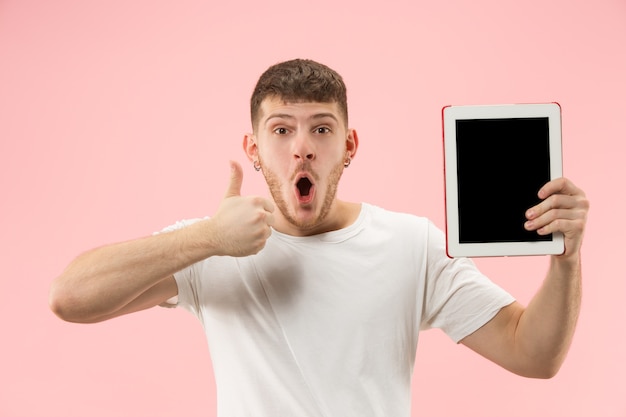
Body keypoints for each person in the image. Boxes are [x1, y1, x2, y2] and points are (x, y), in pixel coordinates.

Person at [49, 59, 589, 416]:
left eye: (321, 129)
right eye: (282, 129)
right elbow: (70, 298)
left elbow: (533, 354)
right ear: (254, 148)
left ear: (349, 145)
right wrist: (207, 240)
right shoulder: (210, 244)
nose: (302, 148)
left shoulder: (411, 244)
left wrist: (567, 260)